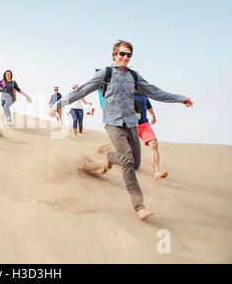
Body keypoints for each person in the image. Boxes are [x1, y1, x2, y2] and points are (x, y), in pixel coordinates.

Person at [50, 40, 193, 220]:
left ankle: (110, 157)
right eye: (122, 54)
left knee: (135, 163)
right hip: (112, 123)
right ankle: (139, 206)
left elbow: (155, 92)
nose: (125, 57)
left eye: (128, 55)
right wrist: (58, 105)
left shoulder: (134, 76)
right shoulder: (106, 74)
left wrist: (181, 99)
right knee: (127, 161)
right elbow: (83, 91)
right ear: (115, 55)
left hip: (131, 123)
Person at [134, 91, 168, 181]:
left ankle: (157, 172)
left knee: (154, 144)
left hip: (143, 124)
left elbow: (148, 105)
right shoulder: (125, 91)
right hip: (130, 126)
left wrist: (153, 115)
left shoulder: (143, 93)